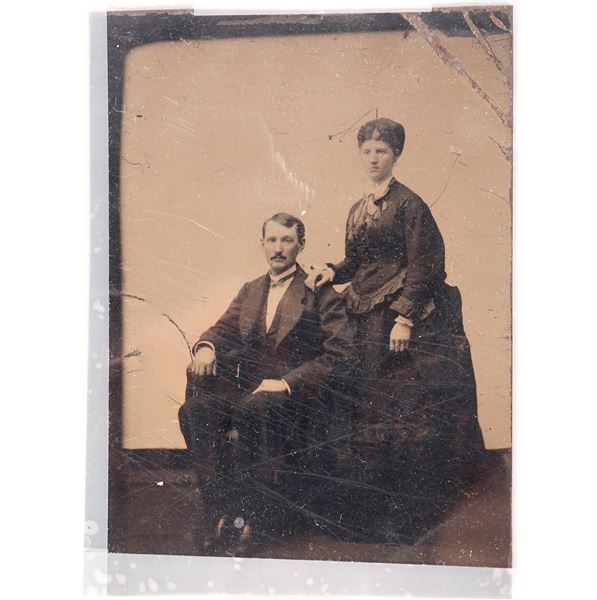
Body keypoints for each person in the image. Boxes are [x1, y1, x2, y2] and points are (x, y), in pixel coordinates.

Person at [306, 118, 485, 539]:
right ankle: (368, 507)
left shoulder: (410, 204)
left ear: (396, 156)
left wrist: (404, 316)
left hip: (397, 318)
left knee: (396, 404)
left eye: (381, 151)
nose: (373, 158)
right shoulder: (358, 208)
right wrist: (330, 271)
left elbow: (426, 262)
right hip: (362, 310)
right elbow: (355, 263)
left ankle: (406, 513)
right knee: (362, 399)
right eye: (367, 150)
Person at [179, 212, 354, 556]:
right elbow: (220, 330)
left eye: (287, 240)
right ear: (262, 245)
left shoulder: (320, 292)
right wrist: (204, 349)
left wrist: (288, 383)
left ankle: (249, 519)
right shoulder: (252, 288)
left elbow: (343, 355)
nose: (278, 249)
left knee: (251, 412)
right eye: (271, 240)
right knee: (195, 409)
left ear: (300, 245)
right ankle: (219, 512)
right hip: (250, 393)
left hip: (297, 401)